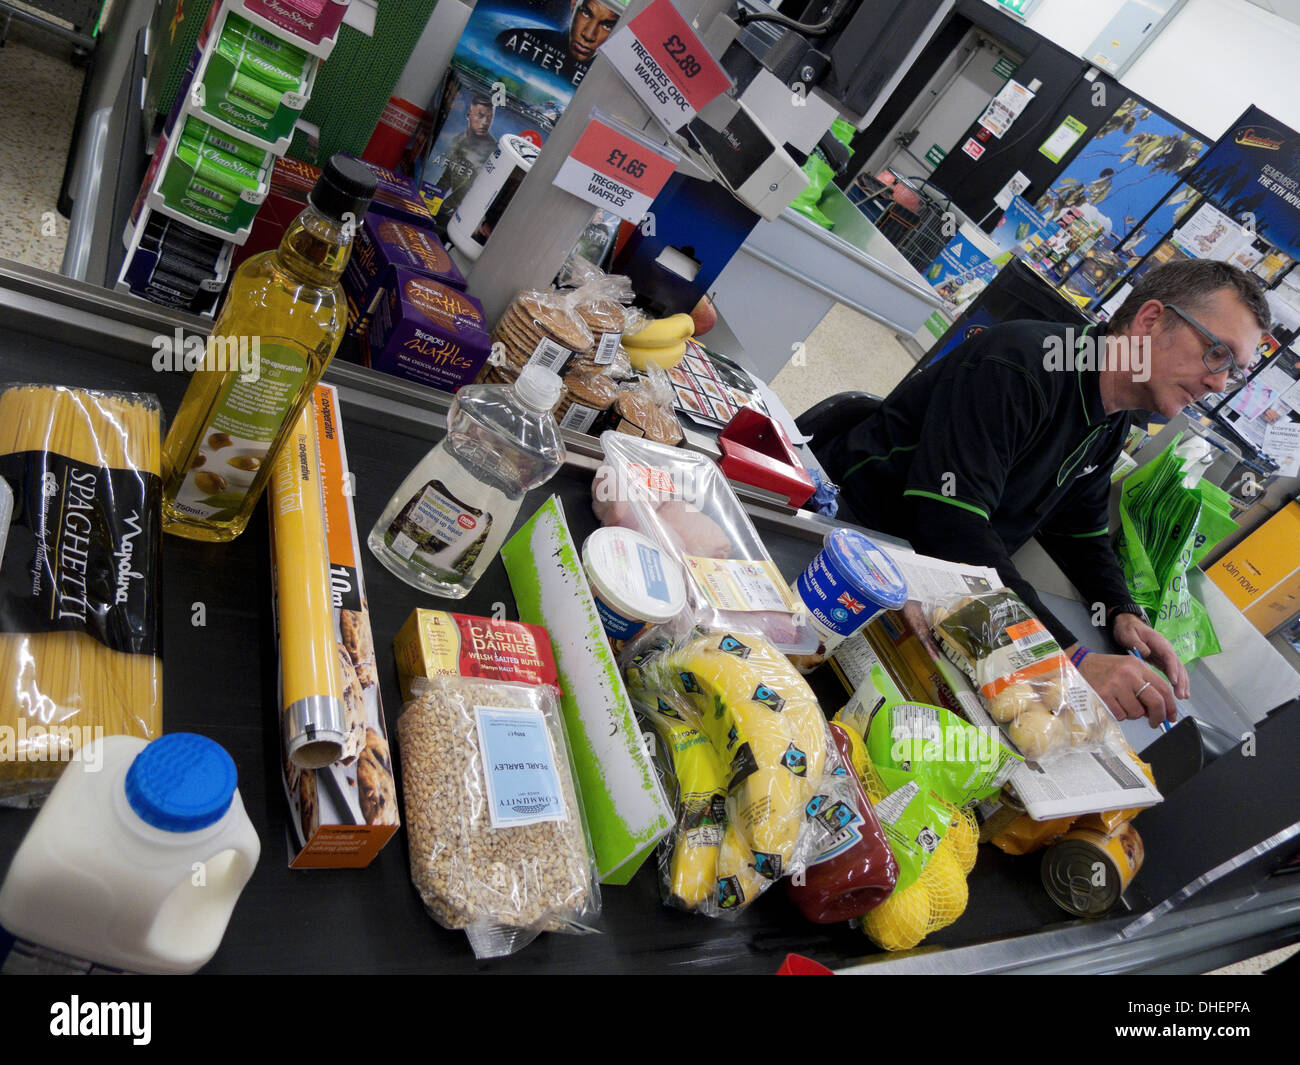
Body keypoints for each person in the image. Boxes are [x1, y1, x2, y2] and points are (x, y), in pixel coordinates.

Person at [817, 260, 1270, 728]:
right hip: (847, 551)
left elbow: (1080, 529)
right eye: (1216, 353)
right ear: (1150, 320)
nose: (1219, 383)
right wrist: (1068, 657)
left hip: (928, 585)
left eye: (1233, 371)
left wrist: (1121, 609)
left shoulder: (1111, 414)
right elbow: (952, 525)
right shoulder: (1020, 364)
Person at [496, 0, 621, 85]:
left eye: (607, 26)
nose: (588, 35)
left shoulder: (602, 82)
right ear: (573, 5)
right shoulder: (514, 38)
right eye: (586, 13)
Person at [434, 94, 498, 226]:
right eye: (480, 116)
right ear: (469, 114)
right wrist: (430, 199)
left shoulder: (493, 149)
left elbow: (471, 187)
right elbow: (447, 175)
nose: (485, 122)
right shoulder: (458, 139)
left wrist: (444, 206)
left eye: (489, 118)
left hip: (460, 215)